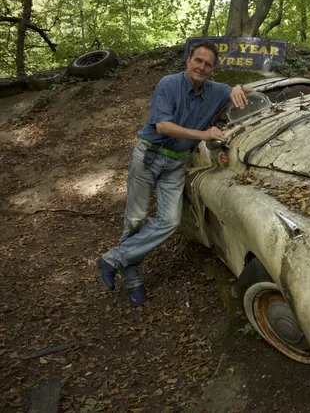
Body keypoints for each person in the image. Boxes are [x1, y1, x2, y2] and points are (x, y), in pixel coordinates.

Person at [96, 41, 249, 307]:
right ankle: (133, 281)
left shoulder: (216, 91)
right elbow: (163, 126)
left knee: (169, 220)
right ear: (188, 60)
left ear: (213, 70)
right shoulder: (168, 84)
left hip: (177, 163)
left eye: (208, 64)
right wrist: (204, 134)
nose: (201, 67)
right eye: (198, 60)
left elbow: (248, 93)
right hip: (148, 156)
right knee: (136, 220)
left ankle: (112, 259)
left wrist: (237, 87)